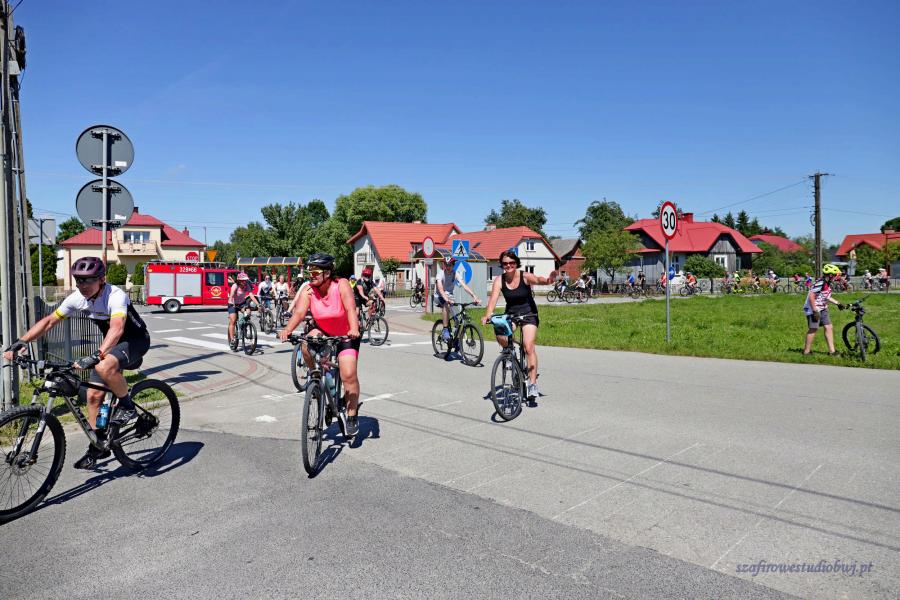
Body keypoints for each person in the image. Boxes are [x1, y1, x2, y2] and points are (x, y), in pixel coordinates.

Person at [3, 257, 150, 469]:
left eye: (88, 280)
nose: (82, 285)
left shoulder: (115, 295)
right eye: (79, 280)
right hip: (113, 345)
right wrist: (22, 341)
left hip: (135, 341)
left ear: (102, 279)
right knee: (93, 396)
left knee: (103, 365)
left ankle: (128, 407)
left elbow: (117, 328)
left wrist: (98, 354)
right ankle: (97, 446)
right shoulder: (77, 298)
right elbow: (50, 321)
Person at [278, 253, 362, 436]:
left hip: (346, 333)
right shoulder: (309, 290)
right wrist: (287, 330)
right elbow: (299, 313)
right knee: (305, 343)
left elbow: (350, 308)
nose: (312, 275)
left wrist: (354, 328)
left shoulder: (341, 284)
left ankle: (352, 414)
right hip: (324, 330)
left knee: (348, 374)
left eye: (315, 272)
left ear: (327, 273)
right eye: (310, 272)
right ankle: (315, 375)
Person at [481, 251, 557, 400]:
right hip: (512, 314)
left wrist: (549, 280)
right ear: (502, 265)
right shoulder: (499, 280)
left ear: (516, 263)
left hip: (529, 314)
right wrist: (487, 315)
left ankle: (532, 384)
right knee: (500, 333)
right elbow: (493, 299)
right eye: (505, 263)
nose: (508, 265)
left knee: (528, 347)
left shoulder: (524, 276)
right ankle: (510, 352)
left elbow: (538, 279)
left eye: (511, 263)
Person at [435, 255, 481, 360]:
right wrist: (446, 299)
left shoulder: (455, 273)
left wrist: (474, 296)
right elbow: (440, 289)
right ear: (444, 265)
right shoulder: (440, 274)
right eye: (446, 265)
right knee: (446, 304)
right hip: (439, 296)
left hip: (450, 296)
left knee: (457, 319)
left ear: (453, 265)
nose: (448, 267)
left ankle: (455, 341)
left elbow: (464, 285)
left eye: (450, 265)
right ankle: (445, 329)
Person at [802, 263, 847, 356]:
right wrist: (814, 311)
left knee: (828, 327)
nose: (836, 277)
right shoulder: (821, 282)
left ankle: (832, 351)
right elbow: (811, 296)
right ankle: (806, 351)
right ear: (830, 275)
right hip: (813, 308)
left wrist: (838, 303)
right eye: (835, 275)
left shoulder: (827, 283)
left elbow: (826, 296)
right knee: (813, 328)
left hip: (823, 308)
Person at [228, 273, 260, 350]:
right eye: (243, 280)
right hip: (233, 304)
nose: (244, 282)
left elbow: (251, 295)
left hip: (242, 303)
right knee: (233, 320)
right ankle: (232, 340)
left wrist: (258, 304)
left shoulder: (247, 286)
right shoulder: (235, 286)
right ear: (239, 280)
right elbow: (231, 295)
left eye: (245, 280)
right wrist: (231, 302)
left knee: (248, 312)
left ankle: (244, 326)